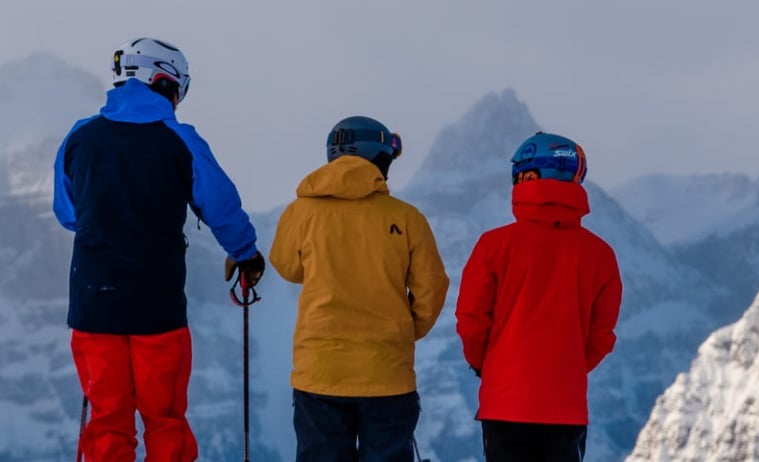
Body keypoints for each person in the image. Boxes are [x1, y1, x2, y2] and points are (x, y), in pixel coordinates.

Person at [53, 37, 264, 462]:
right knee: (164, 420)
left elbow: (68, 213)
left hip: (93, 304)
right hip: (157, 306)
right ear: (165, 83)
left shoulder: (81, 136)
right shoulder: (178, 140)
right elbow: (220, 204)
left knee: (107, 420)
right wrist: (246, 254)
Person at [269, 116, 449, 461]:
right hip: (387, 373)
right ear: (379, 158)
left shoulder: (301, 212)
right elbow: (432, 287)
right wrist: (406, 332)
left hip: (319, 372)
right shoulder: (407, 217)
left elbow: (289, 268)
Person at [457, 132, 621, 461]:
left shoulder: (494, 245)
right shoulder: (600, 254)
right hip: (566, 406)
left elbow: (472, 320)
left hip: (505, 403)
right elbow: (601, 335)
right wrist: (566, 368)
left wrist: (488, 365)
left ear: (525, 176)